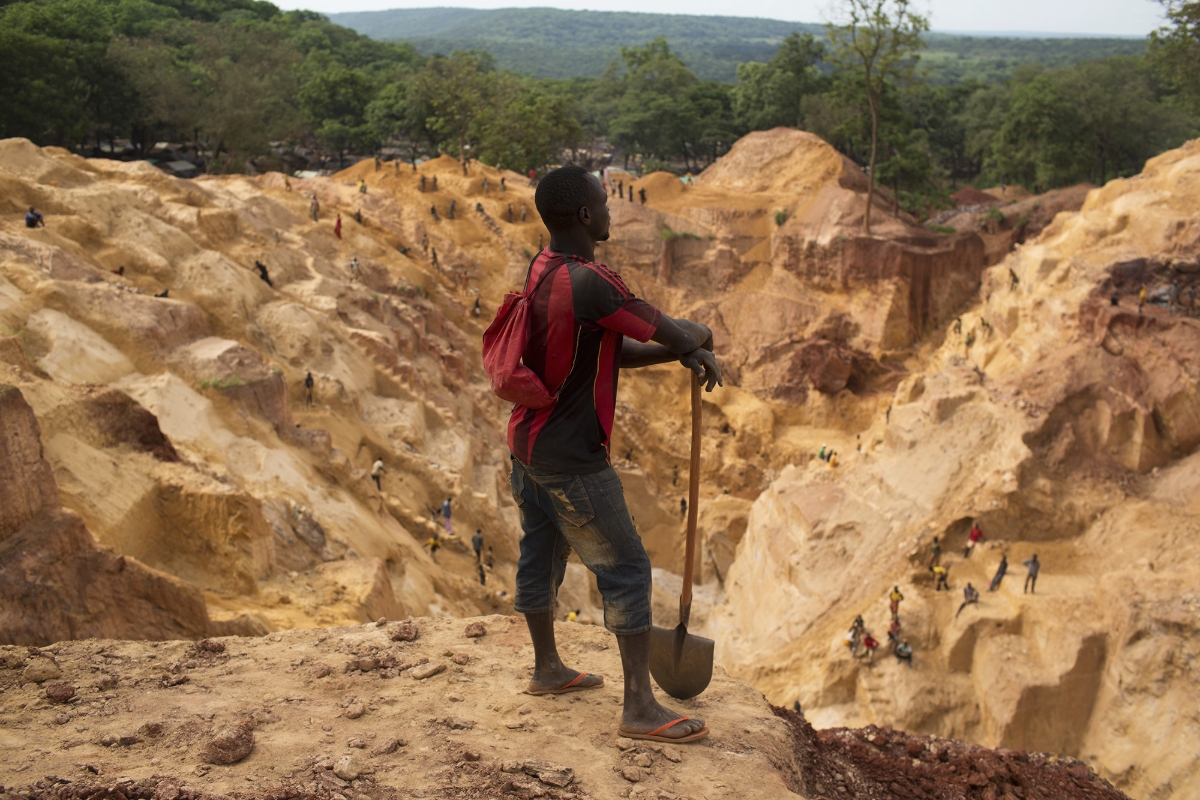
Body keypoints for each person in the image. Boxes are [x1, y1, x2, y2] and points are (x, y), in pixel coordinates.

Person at [501, 165, 722, 743]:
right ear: (582, 216)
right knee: (626, 569)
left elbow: (606, 350)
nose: (610, 209)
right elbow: (667, 330)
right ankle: (639, 709)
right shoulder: (595, 282)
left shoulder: (544, 268)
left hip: (528, 447)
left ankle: (547, 669)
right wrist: (696, 340)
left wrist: (679, 351)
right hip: (573, 458)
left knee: (540, 553)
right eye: (603, 202)